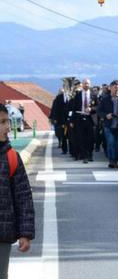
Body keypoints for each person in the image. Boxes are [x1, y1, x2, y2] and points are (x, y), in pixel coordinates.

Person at [0, 104, 35, 278]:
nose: (7, 126)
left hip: (2, 235)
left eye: (7, 121)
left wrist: (25, 233)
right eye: (2, 122)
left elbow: (23, 197)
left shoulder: (12, 156)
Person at [97, 81, 118, 169]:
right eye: (115, 88)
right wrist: (106, 115)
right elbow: (99, 111)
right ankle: (112, 161)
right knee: (111, 143)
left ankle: (115, 159)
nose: (117, 90)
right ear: (111, 88)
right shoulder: (105, 99)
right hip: (108, 125)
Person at [69, 78, 96, 163]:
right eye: (84, 84)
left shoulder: (93, 95)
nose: (86, 85)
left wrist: (91, 109)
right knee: (81, 138)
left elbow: (98, 107)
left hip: (90, 119)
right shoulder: (78, 95)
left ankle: (90, 154)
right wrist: (72, 121)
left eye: (87, 84)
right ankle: (84, 156)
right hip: (79, 119)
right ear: (82, 85)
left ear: (90, 84)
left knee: (90, 138)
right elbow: (74, 108)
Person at [49, 86, 70, 154]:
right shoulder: (58, 98)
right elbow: (54, 109)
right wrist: (53, 118)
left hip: (70, 119)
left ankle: (72, 150)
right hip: (61, 120)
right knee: (62, 135)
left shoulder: (71, 97)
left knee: (70, 136)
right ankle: (64, 149)